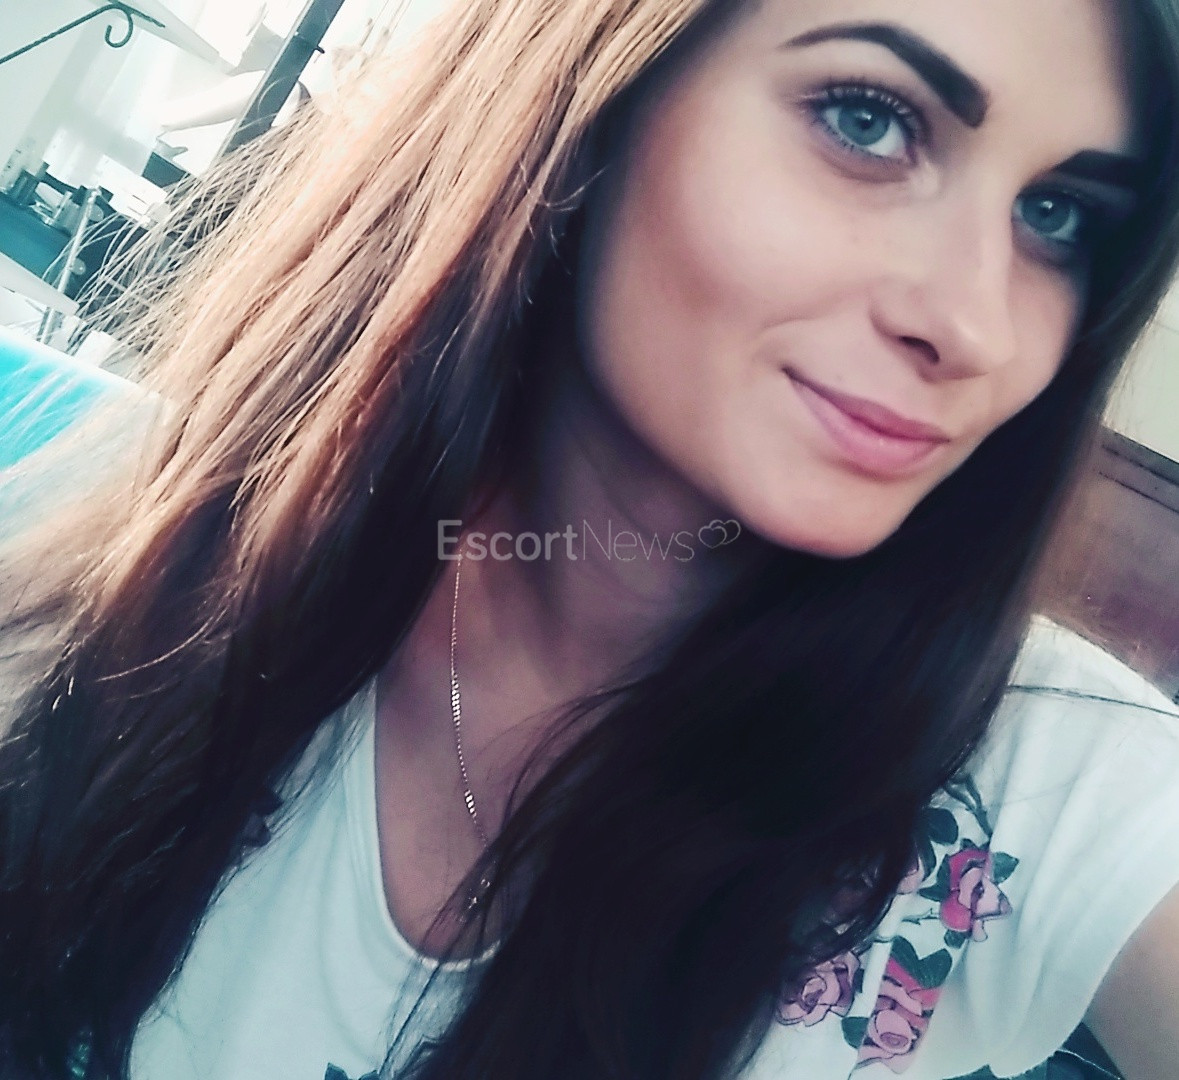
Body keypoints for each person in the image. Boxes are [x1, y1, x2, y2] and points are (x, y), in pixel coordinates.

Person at [0, 0, 1178, 1077]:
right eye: (868, 120)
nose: (974, 324)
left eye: (1058, 214)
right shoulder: (135, 551)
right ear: (599, 89)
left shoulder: (1057, 780)